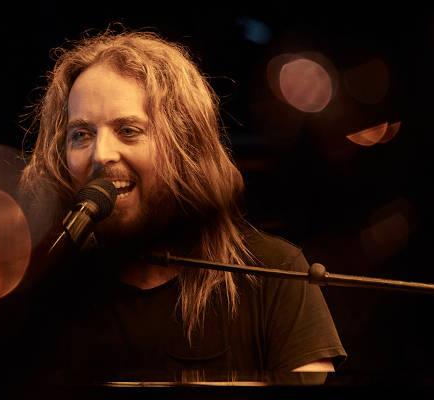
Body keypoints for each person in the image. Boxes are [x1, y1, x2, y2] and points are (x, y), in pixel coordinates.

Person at [18, 28, 347, 383]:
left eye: (128, 130)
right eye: (81, 135)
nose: (101, 154)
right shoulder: (46, 294)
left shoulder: (275, 273)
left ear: (184, 144)